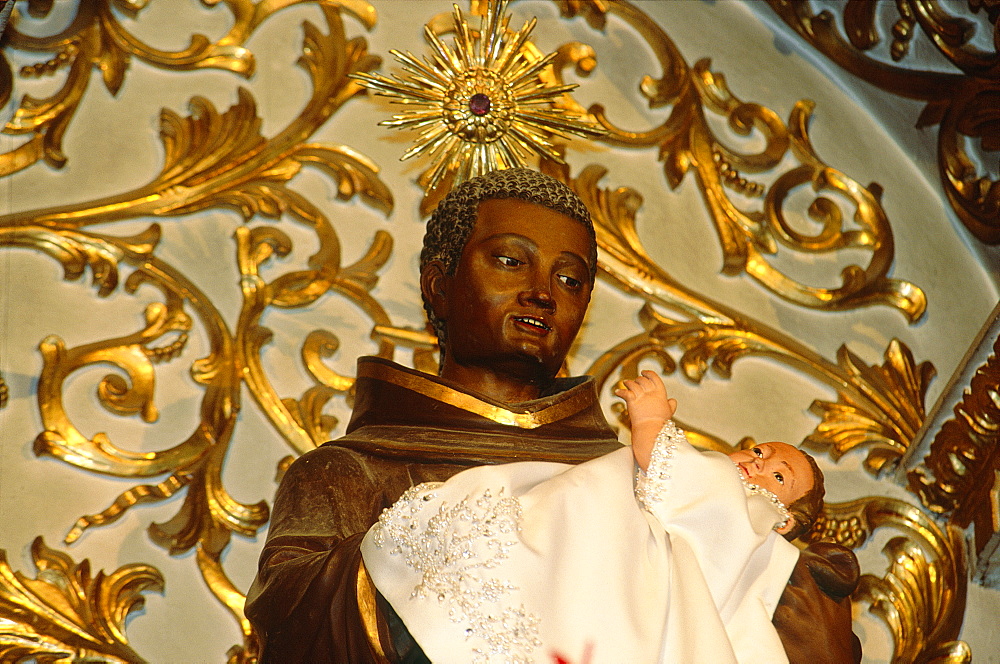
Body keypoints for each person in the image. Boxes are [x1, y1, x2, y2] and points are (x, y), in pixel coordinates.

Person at [245, 167, 861, 663]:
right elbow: (290, 630)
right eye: (510, 261)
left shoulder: (644, 477)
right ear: (439, 285)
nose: (543, 291)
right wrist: (453, 562)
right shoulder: (348, 470)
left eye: (571, 279)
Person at [361, 371, 824, 663]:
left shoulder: (748, 512)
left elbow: (685, 479)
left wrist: (651, 423)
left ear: (785, 522)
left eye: (779, 477)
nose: (760, 464)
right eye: (761, 451)